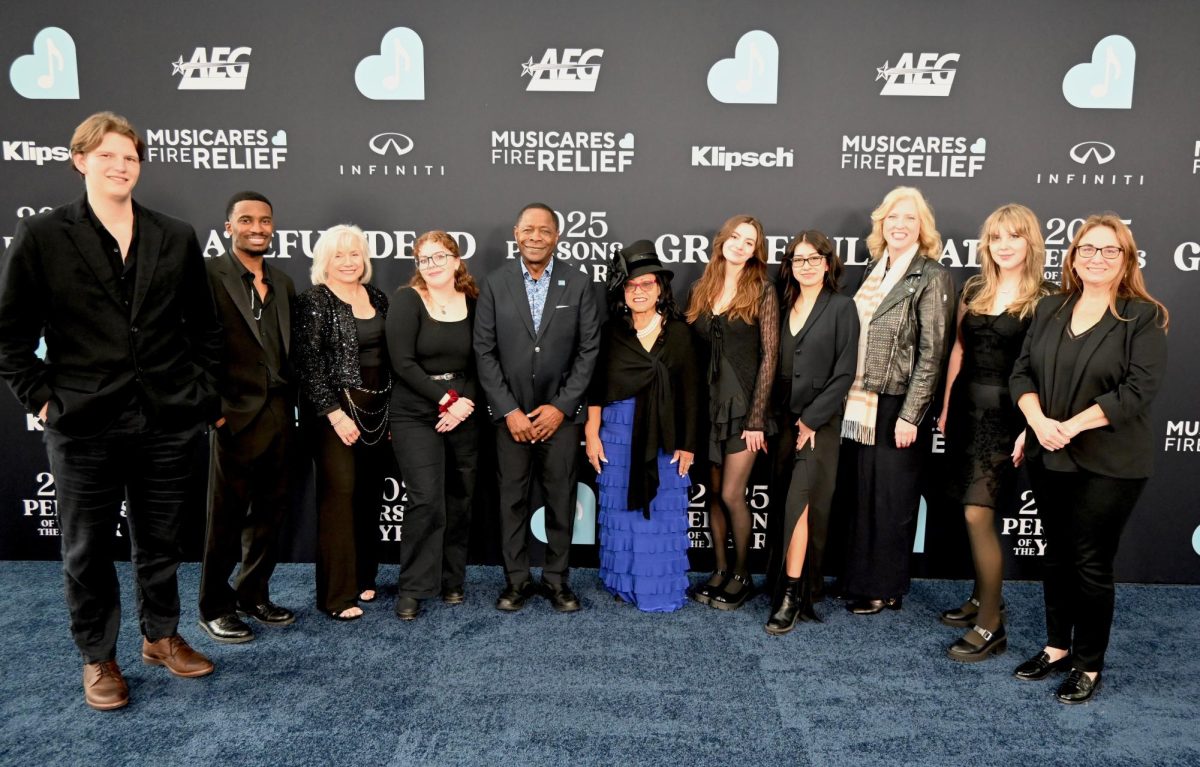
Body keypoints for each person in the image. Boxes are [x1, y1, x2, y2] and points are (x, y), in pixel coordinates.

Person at [0, 112, 220, 710]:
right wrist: (42, 399)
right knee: (87, 548)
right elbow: (11, 335)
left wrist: (199, 393)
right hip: (83, 422)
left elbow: (205, 327)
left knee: (161, 541)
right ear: (80, 161)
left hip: (167, 418)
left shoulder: (174, 234)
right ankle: (99, 658)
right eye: (107, 156)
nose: (121, 166)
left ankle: (161, 636)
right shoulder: (44, 236)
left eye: (130, 157)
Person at [1009, 214, 1168, 703]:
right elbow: (1021, 374)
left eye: (1109, 250)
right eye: (1088, 249)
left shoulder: (1142, 316)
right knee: (1055, 556)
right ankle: (1056, 647)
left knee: (1091, 563)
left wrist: (1069, 428)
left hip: (1109, 461)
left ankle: (1088, 664)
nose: (1097, 258)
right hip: (1047, 450)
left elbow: (1137, 391)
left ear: (1126, 260)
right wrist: (1037, 423)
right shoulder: (1051, 308)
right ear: (1072, 257)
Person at [936, 204, 1054, 661]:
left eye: (1014, 237)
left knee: (977, 513)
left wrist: (1031, 426)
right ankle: (983, 597)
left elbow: (1045, 372)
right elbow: (958, 353)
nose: (1004, 246)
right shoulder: (975, 287)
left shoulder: (1046, 298)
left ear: (1030, 243)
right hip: (966, 411)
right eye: (996, 238)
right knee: (968, 508)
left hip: (1008, 418)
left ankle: (991, 626)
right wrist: (945, 407)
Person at [474, 202, 601, 613]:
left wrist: (562, 408)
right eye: (528, 229)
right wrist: (508, 410)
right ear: (516, 233)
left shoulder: (579, 283)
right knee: (511, 499)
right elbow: (484, 351)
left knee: (561, 497)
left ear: (556, 236)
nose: (535, 237)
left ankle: (556, 580)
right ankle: (515, 581)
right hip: (509, 417)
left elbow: (588, 351)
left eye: (544, 230)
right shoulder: (494, 284)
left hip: (560, 418)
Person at [840, 186, 954, 615]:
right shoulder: (873, 269)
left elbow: (933, 353)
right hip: (859, 404)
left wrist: (912, 414)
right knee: (862, 496)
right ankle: (859, 580)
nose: (900, 225)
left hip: (896, 405)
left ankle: (886, 587)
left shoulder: (932, 274)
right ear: (881, 225)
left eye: (909, 218)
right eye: (892, 218)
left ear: (922, 227)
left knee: (890, 500)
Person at [198, 191, 297, 643]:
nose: (257, 228)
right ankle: (213, 607)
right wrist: (212, 410)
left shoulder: (283, 281)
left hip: (278, 411)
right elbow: (189, 346)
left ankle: (252, 593)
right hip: (231, 415)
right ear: (228, 227)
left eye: (265, 221)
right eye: (246, 220)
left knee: (270, 514)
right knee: (225, 518)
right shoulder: (207, 275)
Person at [584, 241, 699, 612]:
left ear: (661, 288)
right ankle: (624, 582)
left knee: (662, 514)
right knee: (621, 512)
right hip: (616, 431)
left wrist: (687, 444)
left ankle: (657, 587)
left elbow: (691, 394)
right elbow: (596, 387)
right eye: (632, 285)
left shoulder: (678, 334)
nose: (639, 291)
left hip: (665, 434)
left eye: (647, 284)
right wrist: (591, 433)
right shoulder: (611, 331)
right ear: (622, 290)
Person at [295, 224, 391, 621]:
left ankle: (364, 577)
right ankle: (336, 597)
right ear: (324, 261)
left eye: (355, 254)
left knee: (368, 494)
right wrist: (335, 415)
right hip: (334, 414)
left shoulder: (379, 297)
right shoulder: (315, 300)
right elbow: (309, 363)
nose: (349, 262)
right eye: (339, 255)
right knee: (340, 498)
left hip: (377, 411)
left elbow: (392, 356)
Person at [765, 231, 858, 635]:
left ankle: (791, 596)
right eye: (797, 259)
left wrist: (812, 420)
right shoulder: (780, 303)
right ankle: (794, 583)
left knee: (801, 505)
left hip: (820, 424)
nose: (805, 265)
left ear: (827, 262)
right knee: (785, 502)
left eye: (812, 258)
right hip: (781, 422)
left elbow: (845, 373)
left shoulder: (842, 308)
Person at [686, 215, 778, 611]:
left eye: (749, 241)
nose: (740, 245)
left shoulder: (763, 290)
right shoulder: (701, 289)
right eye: (735, 237)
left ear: (756, 250)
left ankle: (743, 575)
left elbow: (771, 357)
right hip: (709, 407)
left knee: (731, 494)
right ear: (722, 240)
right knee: (713, 497)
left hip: (745, 409)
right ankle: (720, 570)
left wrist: (757, 417)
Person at [386, 231, 479, 621]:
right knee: (425, 499)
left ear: (457, 261)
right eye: (424, 259)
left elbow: (483, 360)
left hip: (465, 411)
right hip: (414, 413)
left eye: (440, 257)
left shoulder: (474, 302)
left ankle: (451, 578)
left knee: (460, 497)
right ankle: (414, 586)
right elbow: (402, 362)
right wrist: (446, 401)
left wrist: (463, 403)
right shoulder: (408, 300)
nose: (433, 265)